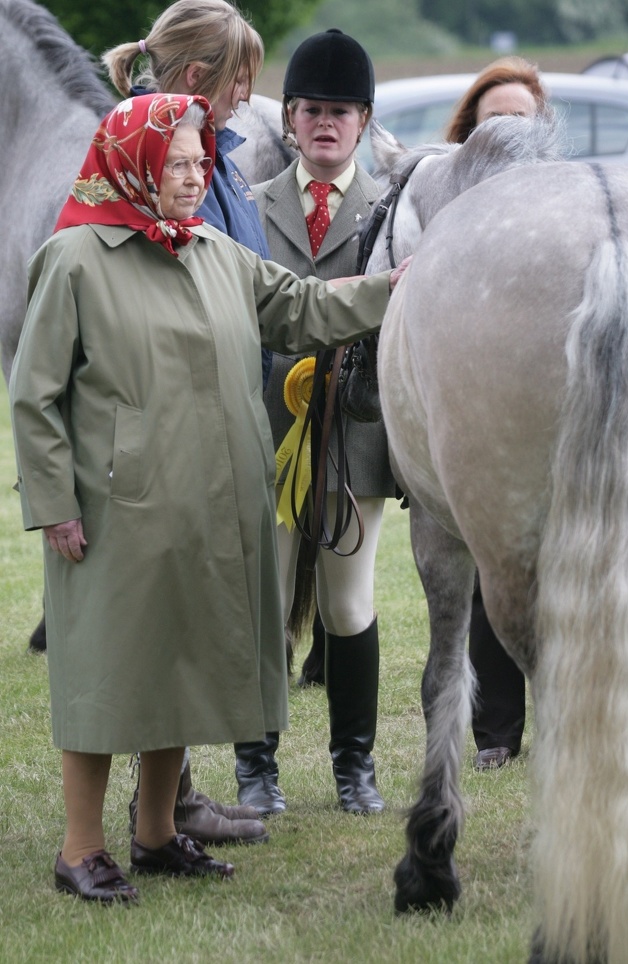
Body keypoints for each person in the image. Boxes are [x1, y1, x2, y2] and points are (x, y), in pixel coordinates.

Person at [9, 92, 405, 903]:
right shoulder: (76, 257)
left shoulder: (217, 250)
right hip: (119, 513)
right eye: (180, 163)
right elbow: (34, 395)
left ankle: (156, 834)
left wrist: (394, 287)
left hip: (212, 503)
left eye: (201, 164)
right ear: (137, 163)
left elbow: (302, 307)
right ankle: (79, 849)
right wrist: (54, 503)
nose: (196, 178)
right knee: (104, 676)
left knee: (179, 666)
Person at [102, 0, 278, 842]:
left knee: (198, 613)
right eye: (243, 78)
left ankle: (170, 801)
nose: (252, 96)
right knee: (166, 619)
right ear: (204, 78)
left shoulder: (219, 155)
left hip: (224, 413)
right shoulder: (150, 165)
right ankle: (158, 811)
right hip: (173, 430)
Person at [234, 29, 395, 817]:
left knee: (346, 604)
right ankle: (255, 767)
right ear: (289, 119)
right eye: (310, 111)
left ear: (363, 121)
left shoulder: (388, 210)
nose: (324, 124)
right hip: (268, 433)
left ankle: (353, 768)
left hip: (354, 438)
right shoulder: (248, 203)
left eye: (340, 111)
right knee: (264, 599)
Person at [445, 57, 551, 769]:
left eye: (521, 119)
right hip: (488, 414)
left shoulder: (565, 211)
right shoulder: (453, 218)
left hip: (556, 409)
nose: (508, 132)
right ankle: (496, 735)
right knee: (494, 565)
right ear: (469, 135)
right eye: (494, 120)